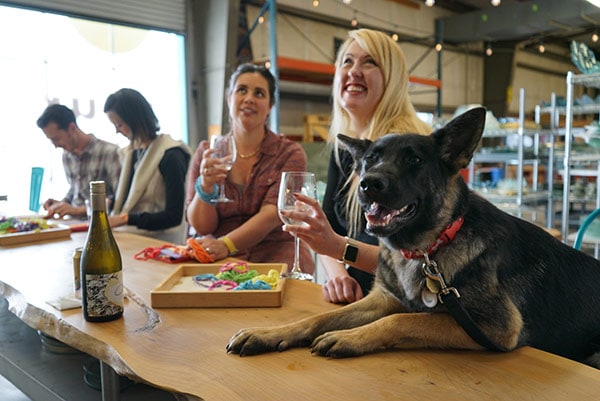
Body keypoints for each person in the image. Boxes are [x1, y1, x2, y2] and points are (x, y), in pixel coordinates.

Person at [280, 29, 431, 303]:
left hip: (403, 306)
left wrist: (340, 250)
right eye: (347, 62)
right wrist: (338, 274)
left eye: (369, 62)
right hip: (356, 299)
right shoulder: (346, 149)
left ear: (393, 77)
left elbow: (414, 260)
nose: (354, 71)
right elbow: (325, 227)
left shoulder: (414, 153)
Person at [185, 63, 313, 273]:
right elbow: (201, 227)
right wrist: (206, 187)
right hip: (216, 256)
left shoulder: (290, 153)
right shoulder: (206, 152)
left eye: (259, 93)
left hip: (276, 252)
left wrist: (226, 245)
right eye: (242, 90)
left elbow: (273, 214)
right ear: (229, 98)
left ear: (270, 105)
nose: (249, 98)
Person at [104, 88, 191, 243]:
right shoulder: (130, 152)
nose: (117, 131)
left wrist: (126, 219)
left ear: (135, 120)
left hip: (160, 240)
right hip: (129, 236)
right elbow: (127, 200)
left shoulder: (171, 154)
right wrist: (111, 202)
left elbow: (173, 217)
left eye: (119, 124)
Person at [36, 104, 121, 219]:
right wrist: (61, 204)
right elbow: (75, 190)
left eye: (56, 139)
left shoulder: (110, 152)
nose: (55, 145)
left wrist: (78, 210)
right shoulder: (67, 156)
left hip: (99, 224)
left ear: (72, 128)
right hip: (74, 223)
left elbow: (118, 198)